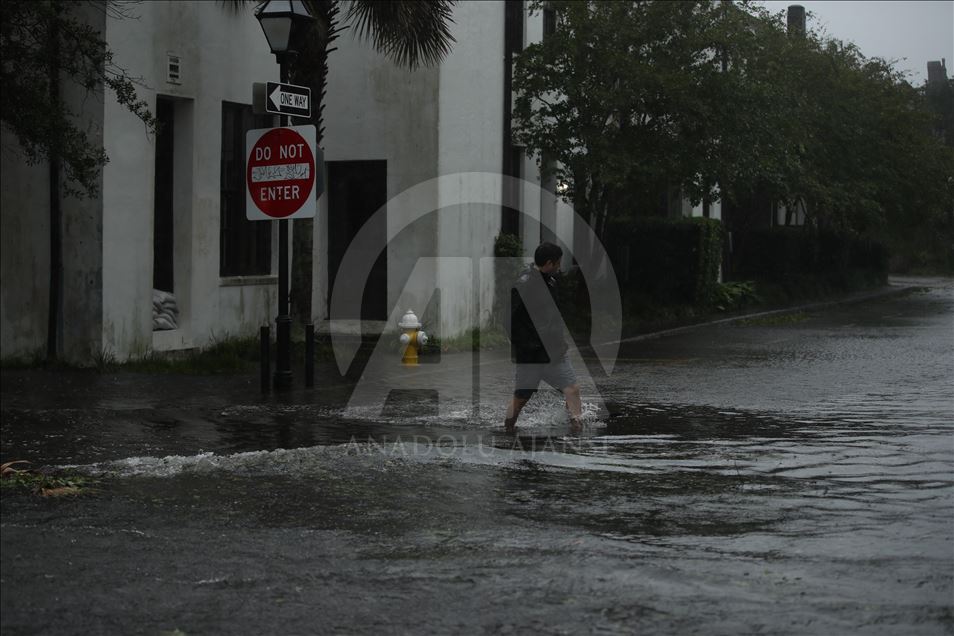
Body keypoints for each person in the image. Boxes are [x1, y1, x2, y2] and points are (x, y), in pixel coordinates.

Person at [503, 242, 583, 435]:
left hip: (555, 351)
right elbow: (508, 321)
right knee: (522, 397)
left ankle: (576, 428)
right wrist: (526, 345)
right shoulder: (524, 284)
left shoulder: (551, 281)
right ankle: (507, 428)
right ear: (549, 263)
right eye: (558, 263)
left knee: (572, 389)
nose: (559, 266)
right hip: (531, 355)